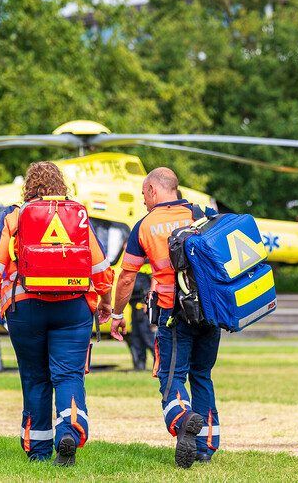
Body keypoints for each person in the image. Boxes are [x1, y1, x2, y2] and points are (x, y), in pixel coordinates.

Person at [0, 161, 114, 466]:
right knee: (69, 376)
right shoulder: (77, 214)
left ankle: (38, 450)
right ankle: (70, 431)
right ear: (61, 184)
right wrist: (104, 300)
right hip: (73, 306)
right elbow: (100, 264)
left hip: (25, 308)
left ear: (29, 186)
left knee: (35, 378)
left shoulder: (15, 214)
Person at [111, 167, 220, 469]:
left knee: (171, 378)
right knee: (202, 375)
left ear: (154, 190)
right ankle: (207, 446)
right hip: (210, 311)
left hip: (175, 313)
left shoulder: (145, 226)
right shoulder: (202, 213)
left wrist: (117, 313)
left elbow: (126, 278)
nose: (143, 200)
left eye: (144, 193)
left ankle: (183, 421)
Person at [126, 272, 155, 371]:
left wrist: (147, 303)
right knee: (136, 338)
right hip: (135, 309)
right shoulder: (133, 274)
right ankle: (139, 366)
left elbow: (149, 289)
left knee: (148, 337)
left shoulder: (144, 274)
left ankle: (161, 364)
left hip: (143, 309)